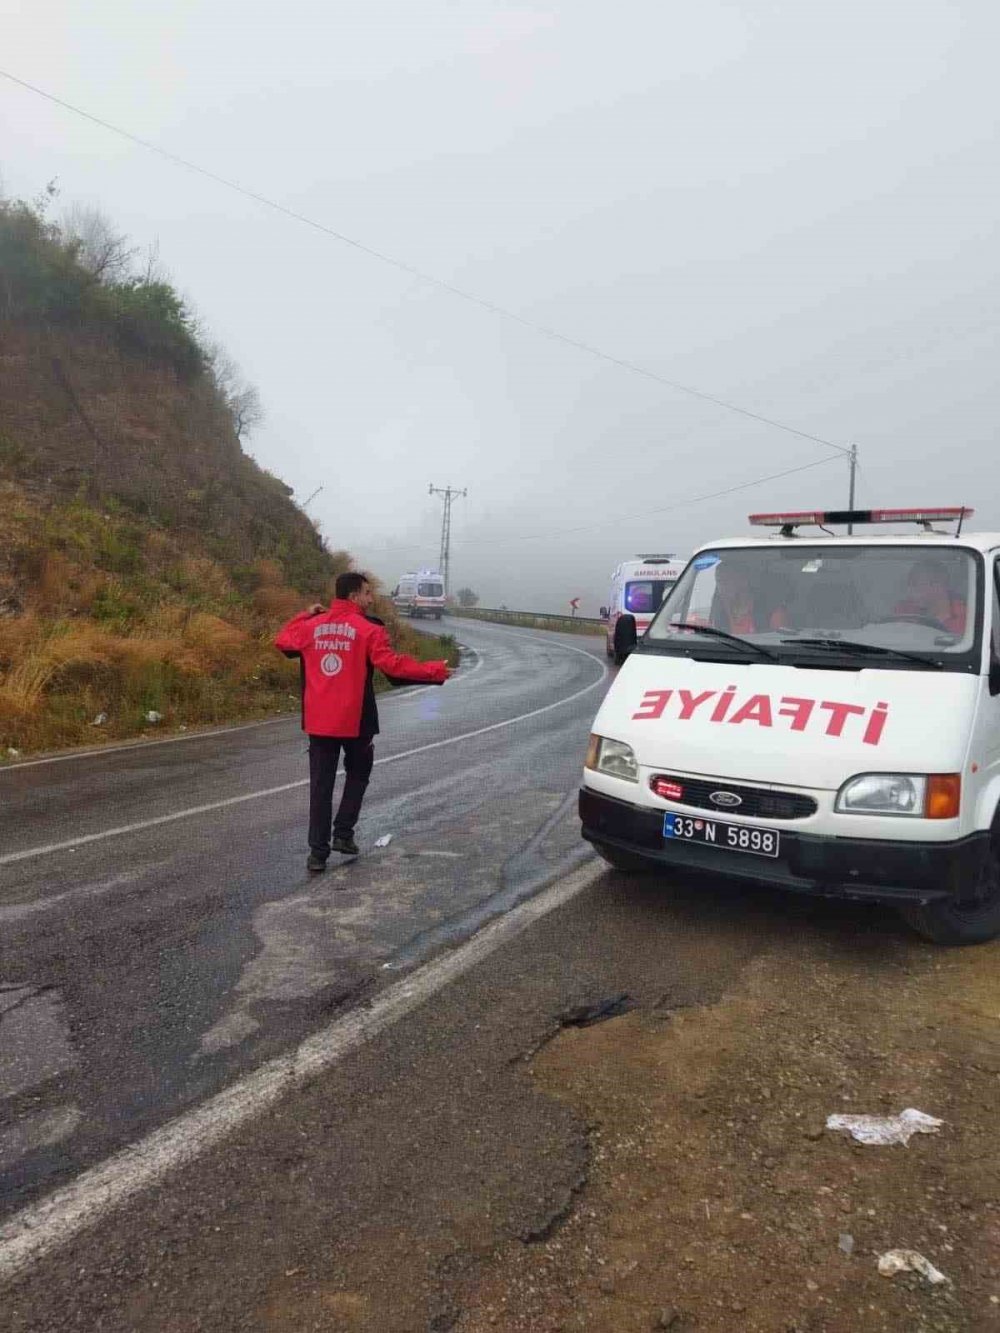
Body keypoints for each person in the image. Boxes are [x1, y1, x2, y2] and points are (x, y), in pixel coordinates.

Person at [275, 572, 452, 871]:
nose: (371, 599)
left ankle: (317, 854)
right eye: (368, 593)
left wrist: (303, 615)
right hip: (356, 720)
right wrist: (434, 671)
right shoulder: (369, 629)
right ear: (354, 595)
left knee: (320, 785)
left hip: (319, 722)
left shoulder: (309, 627)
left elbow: (282, 641)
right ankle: (343, 834)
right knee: (359, 773)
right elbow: (392, 666)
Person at [893, 558, 967, 635]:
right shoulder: (904, 610)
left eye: (915, 584)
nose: (909, 590)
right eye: (909, 585)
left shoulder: (964, 616)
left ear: (937, 585)